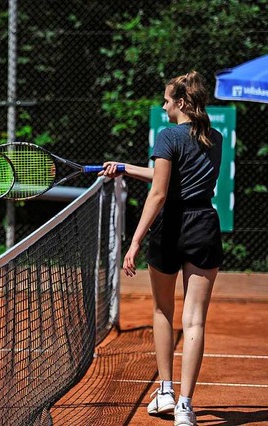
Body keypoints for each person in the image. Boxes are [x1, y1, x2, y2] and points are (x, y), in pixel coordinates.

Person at [101, 70, 223, 426]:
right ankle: (185, 405)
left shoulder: (167, 136)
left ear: (181, 103)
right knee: (195, 320)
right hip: (203, 226)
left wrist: (134, 241)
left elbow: (160, 191)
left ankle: (165, 390)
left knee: (162, 311)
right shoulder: (214, 138)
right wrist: (124, 167)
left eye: (167, 100)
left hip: (170, 228)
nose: (163, 105)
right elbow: (167, 176)